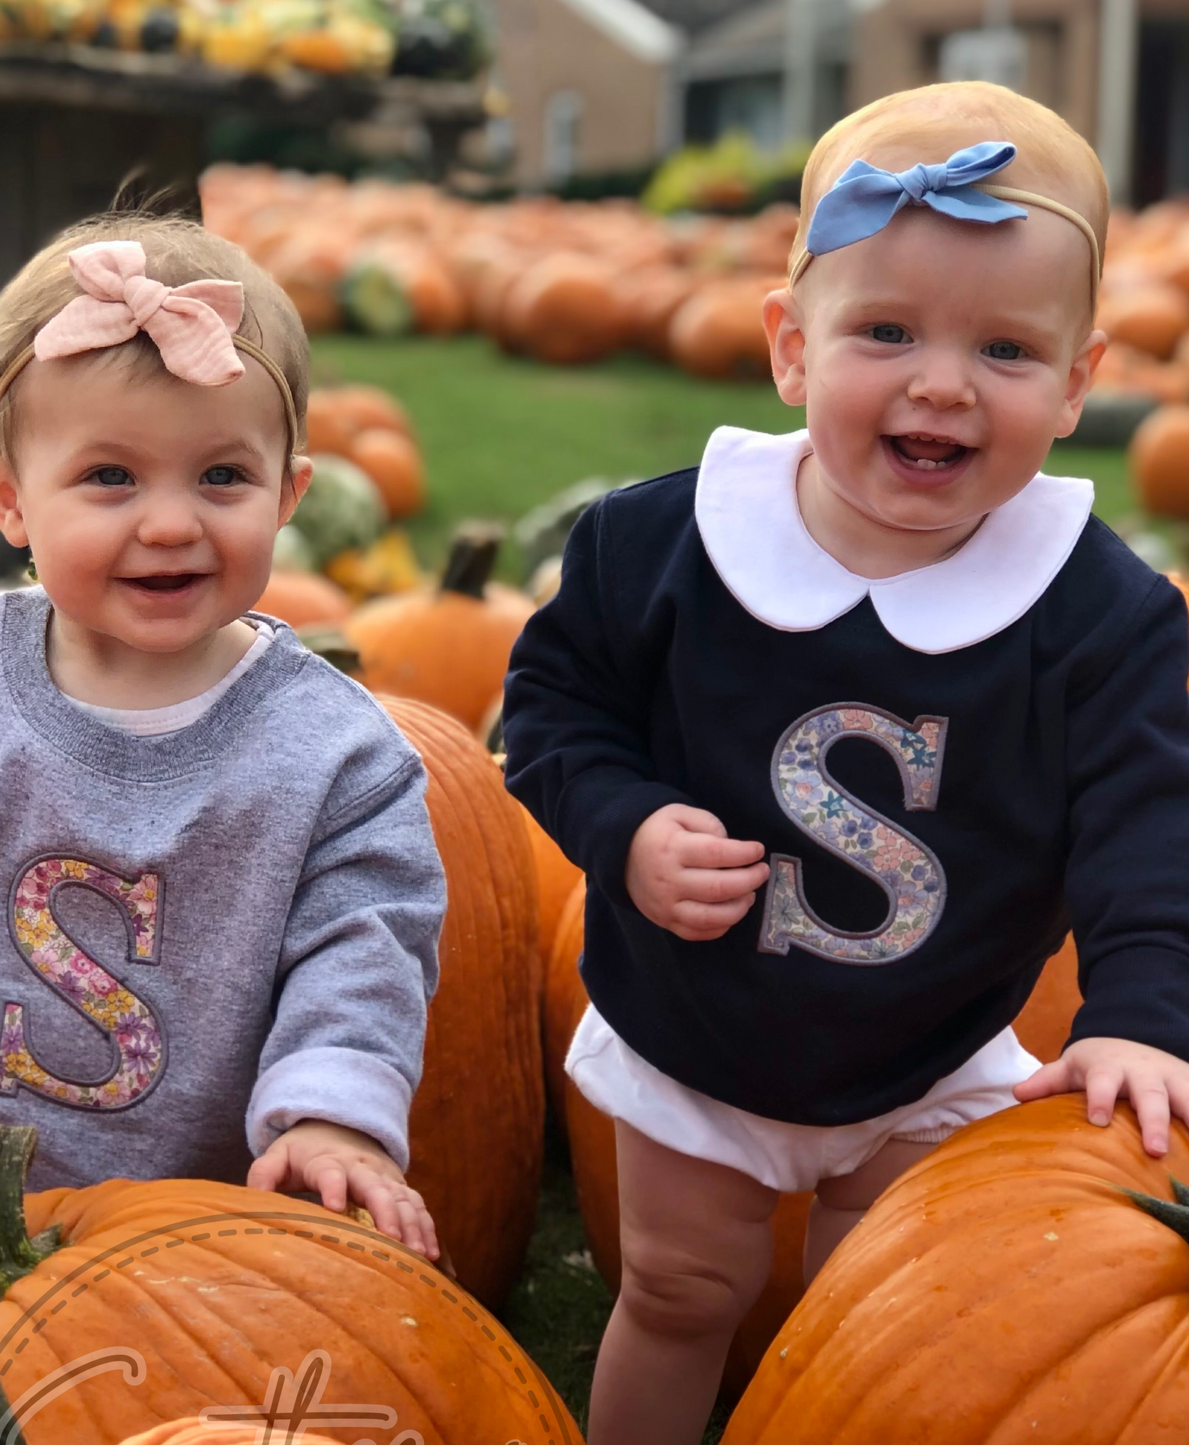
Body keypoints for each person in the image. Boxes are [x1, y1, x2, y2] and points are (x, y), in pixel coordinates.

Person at [501, 81, 1189, 1443]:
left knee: (874, 1314)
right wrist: (626, 829)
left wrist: (1141, 1011)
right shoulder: (664, 545)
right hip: (702, 1025)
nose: (940, 382)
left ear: (1075, 386)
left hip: (932, 1048)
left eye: (1003, 350)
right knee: (681, 1288)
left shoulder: (1099, 614)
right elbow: (550, 707)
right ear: (788, 346)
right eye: (885, 331)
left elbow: (1148, 816)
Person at [0, 212, 446, 1261]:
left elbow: (362, 947)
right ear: (8, 496)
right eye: (110, 477)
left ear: (289, 493)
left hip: (197, 1225)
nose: (169, 522)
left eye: (221, 477)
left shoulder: (335, 753)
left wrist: (329, 1112)